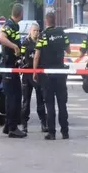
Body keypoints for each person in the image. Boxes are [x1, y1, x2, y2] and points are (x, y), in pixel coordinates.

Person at [33, 12, 69, 140]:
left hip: (47, 74)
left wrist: (35, 71)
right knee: (62, 104)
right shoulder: (62, 33)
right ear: (55, 21)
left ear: (46, 21)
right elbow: (68, 50)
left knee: (49, 104)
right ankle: (65, 132)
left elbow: (37, 55)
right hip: (60, 73)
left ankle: (52, 133)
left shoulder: (43, 36)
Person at [0, 3, 27, 138]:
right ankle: (13, 128)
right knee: (14, 97)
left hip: (12, 67)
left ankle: (7, 125)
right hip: (9, 67)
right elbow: (1, 38)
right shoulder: (10, 25)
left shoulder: (13, 25)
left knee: (13, 96)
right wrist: (15, 47)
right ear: (21, 14)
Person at [20, 23, 46, 134]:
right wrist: (21, 64)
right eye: (35, 30)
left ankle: (44, 123)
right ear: (30, 31)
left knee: (41, 101)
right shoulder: (25, 43)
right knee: (26, 101)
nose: (37, 32)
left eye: (38, 30)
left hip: (38, 74)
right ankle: (24, 125)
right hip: (27, 74)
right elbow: (20, 57)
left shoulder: (41, 43)